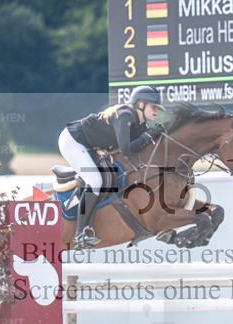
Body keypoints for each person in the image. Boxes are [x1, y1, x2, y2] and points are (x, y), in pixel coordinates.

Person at [58, 86, 165, 249]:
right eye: (154, 106)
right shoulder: (125, 116)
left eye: (158, 108)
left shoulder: (139, 124)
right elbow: (127, 149)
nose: (157, 111)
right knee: (94, 180)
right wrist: (150, 134)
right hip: (72, 141)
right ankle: (79, 234)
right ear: (140, 104)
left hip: (88, 145)